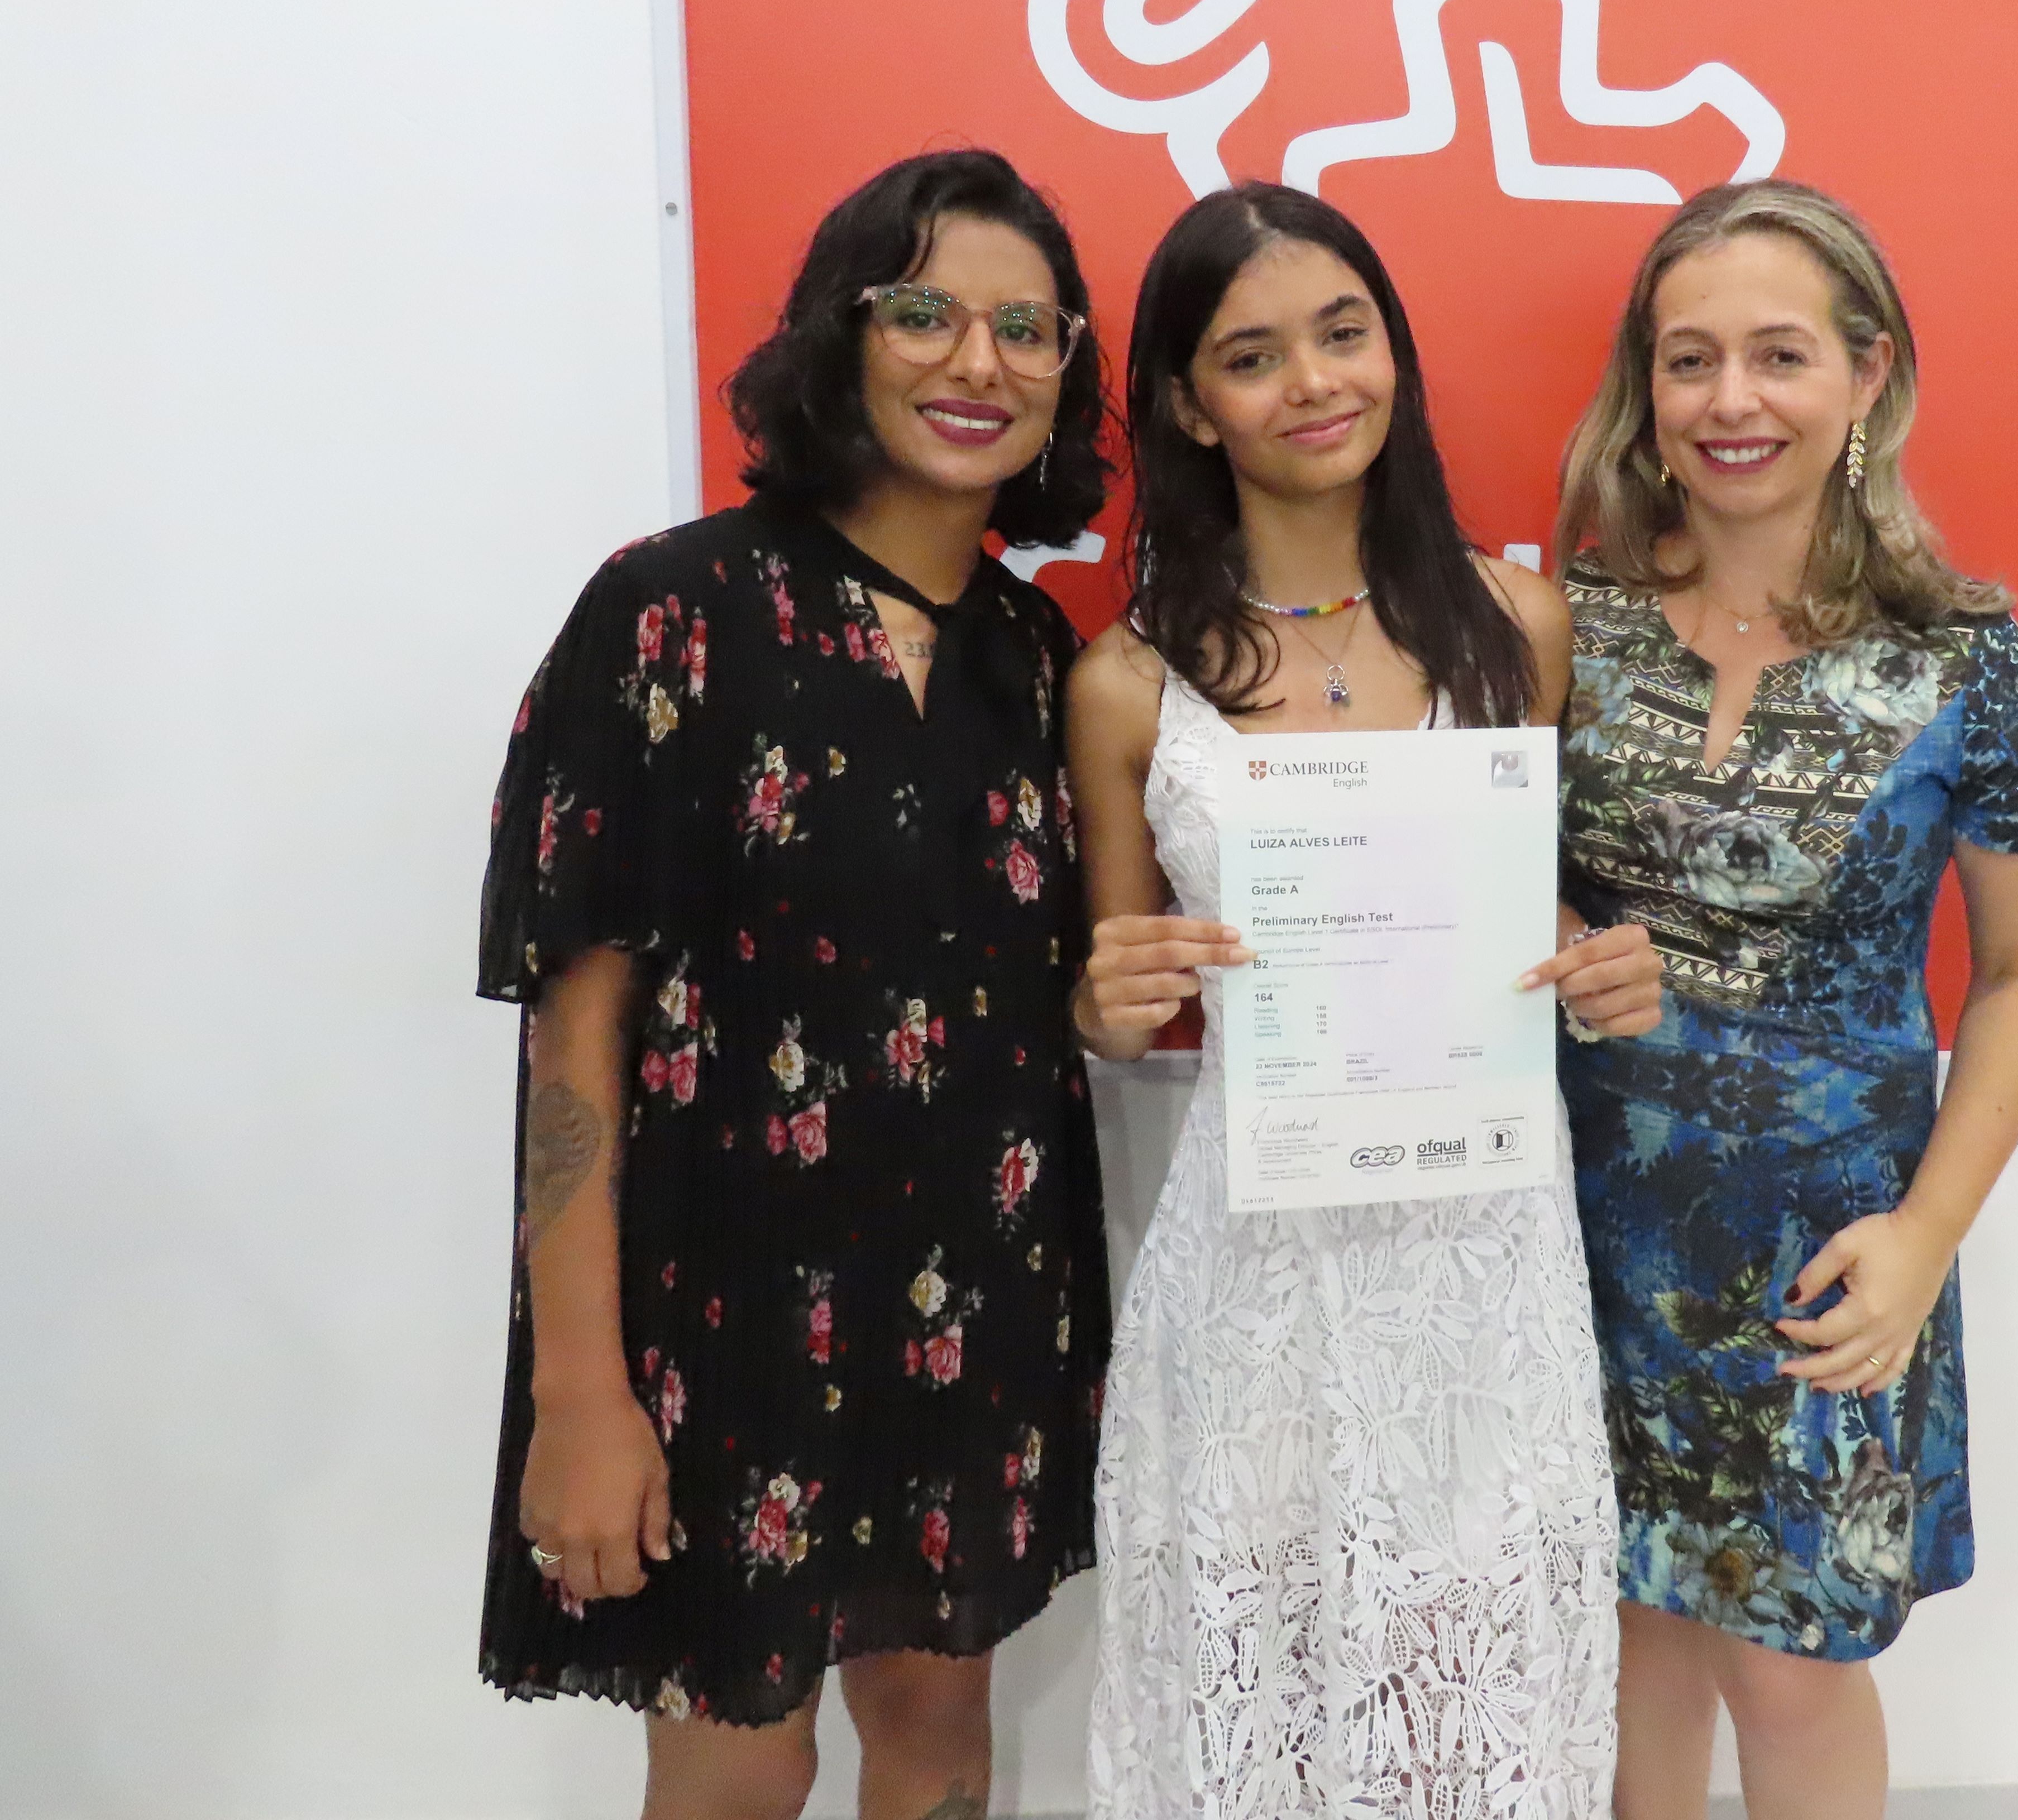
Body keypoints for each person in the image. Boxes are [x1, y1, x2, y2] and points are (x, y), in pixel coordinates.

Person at [475, 150, 1113, 1820]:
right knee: (737, 1777)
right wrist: (579, 1392)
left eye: (1027, 329)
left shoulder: (1039, 659)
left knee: (940, 1750)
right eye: (926, 313)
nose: (979, 363)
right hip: (720, 1314)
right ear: (843, 334)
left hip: (982, 1300)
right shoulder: (671, 610)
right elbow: (577, 1030)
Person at [1065, 183, 1663, 1818]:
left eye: (1345, 333)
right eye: (1253, 355)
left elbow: (1523, 912)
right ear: (1192, 405)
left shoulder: (1518, 624)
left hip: (1482, 1256)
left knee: (1476, 1710)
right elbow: (1122, 1009)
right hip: (1257, 1259)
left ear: (1394, 348)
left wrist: (1601, 965)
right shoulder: (1127, 683)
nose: (1316, 382)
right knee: (1255, 1701)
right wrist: (1107, 997)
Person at [1549, 181, 2018, 1820]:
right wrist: (1561, 936)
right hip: (1576, 1221)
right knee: (1625, 1631)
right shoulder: (1561, 628)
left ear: (1867, 373)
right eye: (1689, 358)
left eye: (1778, 354)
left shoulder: (1974, 666)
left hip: (1824, 1250)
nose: (1731, 400)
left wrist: (1925, 1238)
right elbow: (1472, 872)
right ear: (1646, 388)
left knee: (1789, 1670)